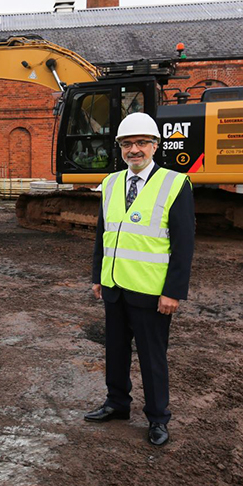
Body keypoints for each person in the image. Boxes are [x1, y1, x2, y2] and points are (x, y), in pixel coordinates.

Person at [86, 112, 194, 446]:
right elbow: (103, 234)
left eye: (141, 143)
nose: (135, 150)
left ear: (154, 146)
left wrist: (173, 291)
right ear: (120, 147)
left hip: (151, 291)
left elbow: (184, 242)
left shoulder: (175, 183)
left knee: (152, 357)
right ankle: (117, 403)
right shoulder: (112, 182)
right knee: (116, 352)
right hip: (115, 285)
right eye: (127, 144)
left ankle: (158, 418)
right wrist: (97, 276)